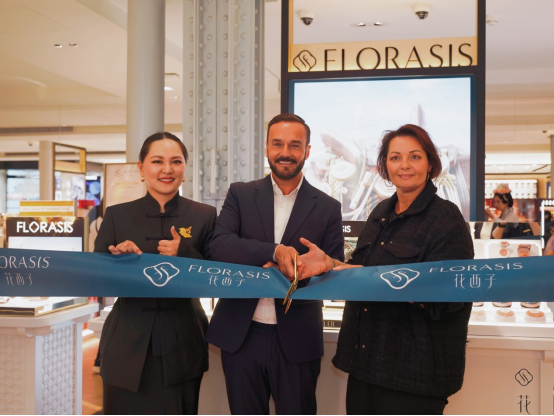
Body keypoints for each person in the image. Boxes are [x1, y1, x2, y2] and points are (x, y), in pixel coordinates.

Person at [297, 124, 474, 415]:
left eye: (414, 156)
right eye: (395, 157)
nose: (404, 165)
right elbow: (366, 273)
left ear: (430, 164)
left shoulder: (446, 219)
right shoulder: (380, 213)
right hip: (366, 364)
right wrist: (330, 264)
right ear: (385, 166)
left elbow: (449, 297)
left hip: (414, 376)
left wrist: (392, 284)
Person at [206, 113, 345, 415]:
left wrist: (297, 272)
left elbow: (333, 271)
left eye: (295, 145)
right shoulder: (240, 194)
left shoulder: (328, 207)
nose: (285, 152)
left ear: (307, 151)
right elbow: (219, 245)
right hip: (241, 336)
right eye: (278, 144)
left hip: (297, 339)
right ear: (267, 148)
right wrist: (274, 252)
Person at [95, 132, 217, 415]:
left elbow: (216, 277)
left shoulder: (204, 215)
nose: (167, 169)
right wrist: (118, 261)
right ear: (141, 167)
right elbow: (97, 279)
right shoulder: (116, 215)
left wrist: (184, 253)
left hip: (182, 342)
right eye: (157, 161)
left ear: (185, 168)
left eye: (176, 161)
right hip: (126, 340)